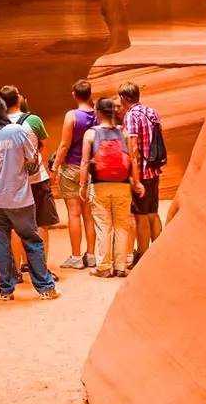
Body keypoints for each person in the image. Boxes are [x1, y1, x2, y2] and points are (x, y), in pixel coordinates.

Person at [0, 95, 60, 301]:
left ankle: (6, 290)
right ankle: (45, 288)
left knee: (1, 243)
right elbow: (32, 157)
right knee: (32, 240)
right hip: (18, 196)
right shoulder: (17, 131)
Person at [1, 87, 60, 283]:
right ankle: (39, 268)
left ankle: (16, 271)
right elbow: (43, 145)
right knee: (41, 224)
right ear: (18, 98)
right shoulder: (33, 120)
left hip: (12, 182)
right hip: (36, 179)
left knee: (15, 226)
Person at [82, 97, 143, 278]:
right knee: (122, 226)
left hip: (100, 185)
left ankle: (103, 267)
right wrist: (137, 181)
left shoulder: (91, 134)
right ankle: (121, 266)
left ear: (98, 112)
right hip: (122, 186)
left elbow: (85, 161)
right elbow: (133, 158)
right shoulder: (124, 133)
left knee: (103, 226)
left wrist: (81, 184)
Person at [48, 80, 98, 270]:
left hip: (71, 168)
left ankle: (76, 256)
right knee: (88, 213)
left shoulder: (72, 116)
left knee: (73, 213)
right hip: (91, 168)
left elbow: (64, 145)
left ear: (74, 94)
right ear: (89, 94)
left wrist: (55, 168)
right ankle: (92, 255)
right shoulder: (97, 115)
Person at [118, 82, 163, 265]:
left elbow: (133, 148)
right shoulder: (152, 112)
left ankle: (143, 257)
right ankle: (160, 252)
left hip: (141, 172)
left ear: (122, 98)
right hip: (154, 168)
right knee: (153, 211)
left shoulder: (131, 116)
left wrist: (135, 178)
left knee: (140, 214)